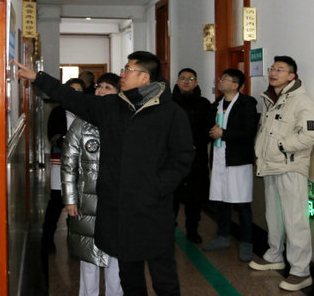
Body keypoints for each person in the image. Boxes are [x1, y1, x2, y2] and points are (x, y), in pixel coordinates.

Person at [14, 51, 194, 296]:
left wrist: (157, 186)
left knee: (163, 275)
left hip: (153, 207)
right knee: (129, 274)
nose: (122, 74)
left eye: (128, 69)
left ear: (144, 77)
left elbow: (182, 157)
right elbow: (72, 99)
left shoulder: (171, 113)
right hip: (118, 208)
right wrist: (38, 78)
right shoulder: (113, 107)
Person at [250, 56, 314, 292]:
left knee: (295, 219)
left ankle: (301, 271)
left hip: (290, 167)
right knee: (274, 216)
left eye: (280, 70)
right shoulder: (272, 99)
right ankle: (274, 255)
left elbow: (310, 134)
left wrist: (282, 147)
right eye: (272, 69)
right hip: (270, 165)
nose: (273, 73)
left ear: (292, 76)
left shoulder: (301, 101)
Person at [62, 73, 123, 296]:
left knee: (117, 258)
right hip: (86, 203)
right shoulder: (80, 123)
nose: (101, 91)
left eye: (108, 88)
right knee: (88, 258)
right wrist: (70, 199)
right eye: (99, 86)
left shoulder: (125, 121)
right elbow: (68, 164)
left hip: (116, 201)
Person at [202, 69, 257, 263]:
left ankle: (246, 243)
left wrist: (224, 134)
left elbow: (249, 133)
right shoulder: (216, 104)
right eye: (220, 78)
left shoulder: (247, 104)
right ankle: (222, 237)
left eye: (224, 79)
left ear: (235, 85)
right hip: (219, 158)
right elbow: (207, 126)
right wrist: (211, 132)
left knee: (241, 203)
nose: (220, 81)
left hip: (238, 161)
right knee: (221, 199)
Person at [43, 78, 85, 254]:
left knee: (78, 202)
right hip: (60, 163)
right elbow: (53, 136)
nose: (75, 94)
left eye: (79, 91)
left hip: (82, 164)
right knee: (57, 202)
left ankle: (73, 238)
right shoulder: (58, 111)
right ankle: (47, 240)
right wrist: (70, 143)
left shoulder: (87, 111)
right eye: (71, 90)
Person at [172, 68, 212, 244]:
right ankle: (168, 228)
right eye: (183, 78)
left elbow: (209, 129)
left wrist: (196, 144)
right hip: (173, 158)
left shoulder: (204, 104)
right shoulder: (169, 103)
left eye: (190, 79)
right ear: (177, 82)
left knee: (195, 198)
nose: (186, 81)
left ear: (196, 82)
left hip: (197, 158)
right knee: (172, 196)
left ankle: (193, 230)